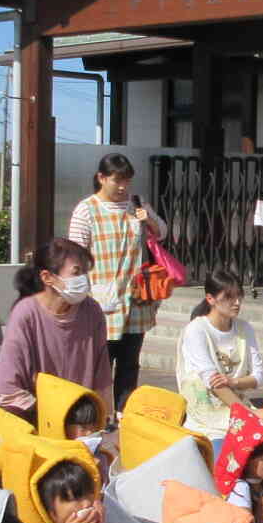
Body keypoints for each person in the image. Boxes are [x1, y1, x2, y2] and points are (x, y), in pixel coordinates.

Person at [69, 154, 171, 409]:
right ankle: (95, 417)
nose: (123, 187)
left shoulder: (137, 204)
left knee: (129, 364)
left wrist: (147, 218)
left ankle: (124, 416)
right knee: (98, 366)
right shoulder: (86, 210)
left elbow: (163, 232)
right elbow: (74, 259)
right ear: (102, 178)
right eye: (118, 181)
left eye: (127, 181)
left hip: (136, 301)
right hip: (100, 304)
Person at [0, 240, 112, 421]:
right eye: (76, 272)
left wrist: (101, 414)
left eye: (86, 272)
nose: (84, 279)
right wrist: (55, 412)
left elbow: (101, 374)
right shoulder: (26, 314)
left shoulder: (92, 311)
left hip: (79, 423)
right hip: (32, 420)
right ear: (47, 277)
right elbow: (8, 387)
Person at [177, 270, 263, 442]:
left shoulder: (245, 328)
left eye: (239, 296)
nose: (237, 303)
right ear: (210, 299)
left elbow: (259, 376)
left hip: (238, 407)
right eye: (229, 297)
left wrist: (233, 382)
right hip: (206, 419)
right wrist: (249, 414)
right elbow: (213, 382)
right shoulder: (196, 330)